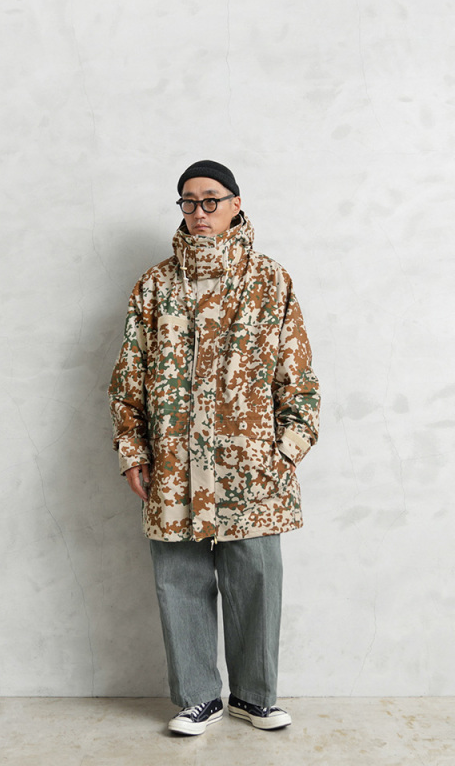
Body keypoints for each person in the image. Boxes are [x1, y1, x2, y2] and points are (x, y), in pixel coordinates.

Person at [108, 160, 320, 736]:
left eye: (210, 200)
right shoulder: (155, 286)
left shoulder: (269, 280)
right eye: (188, 202)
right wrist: (133, 451)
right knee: (178, 580)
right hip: (174, 466)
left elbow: (298, 377)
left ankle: (255, 696)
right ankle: (197, 697)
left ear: (235, 204)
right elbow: (128, 378)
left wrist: (286, 449)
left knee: (256, 578)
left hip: (251, 467)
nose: (198, 212)